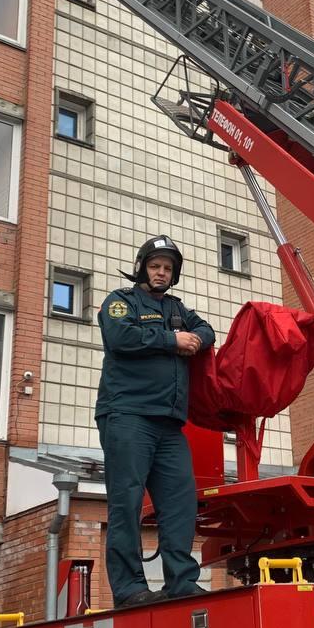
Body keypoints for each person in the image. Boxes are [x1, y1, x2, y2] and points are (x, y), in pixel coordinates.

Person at [96, 234, 215, 607]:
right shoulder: (121, 302)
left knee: (181, 501)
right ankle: (129, 588)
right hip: (128, 415)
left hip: (169, 424)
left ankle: (181, 581)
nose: (161, 273)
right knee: (126, 501)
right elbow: (120, 337)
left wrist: (193, 337)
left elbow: (206, 332)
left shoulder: (179, 310)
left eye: (167, 268)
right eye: (155, 266)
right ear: (142, 268)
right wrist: (171, 341)